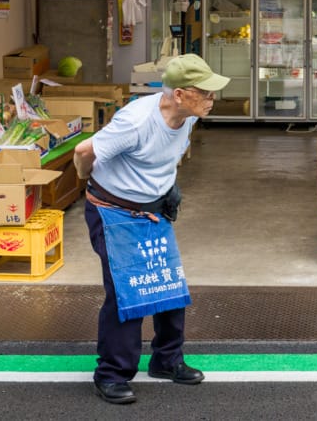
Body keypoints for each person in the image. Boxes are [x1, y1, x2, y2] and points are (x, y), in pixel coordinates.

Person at [72, 53, 230, 405]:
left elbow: (166, 155)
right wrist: (90, 184)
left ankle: (166, 360)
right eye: (205, 93)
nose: (211, 99)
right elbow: (84, 152)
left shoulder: (189, 117)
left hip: (153, 210)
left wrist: (166, 188)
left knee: (168, 284)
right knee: (127, 293)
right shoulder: (135, 122)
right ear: (179, 94)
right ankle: (111, 374)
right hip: (113, 211)